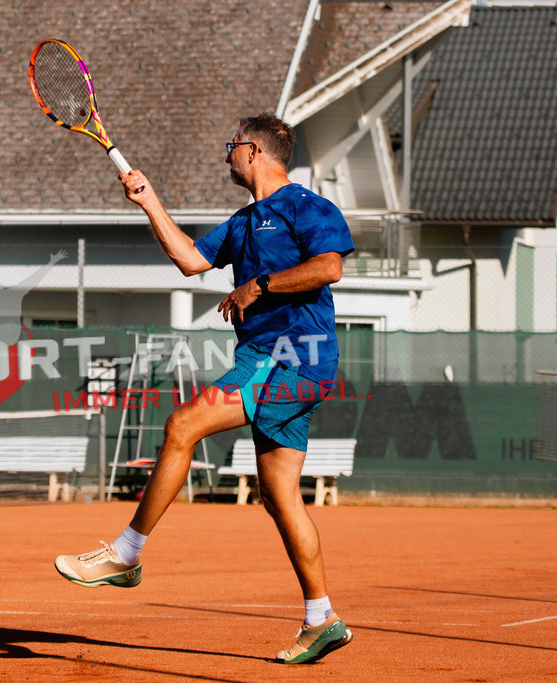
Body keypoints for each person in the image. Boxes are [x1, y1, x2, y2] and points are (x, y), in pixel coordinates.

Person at [54, 114, 356, 665]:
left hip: (290, 357)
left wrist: (256, 286)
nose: (226, 156)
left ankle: (126, 554)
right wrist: (149, 202)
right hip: (277, 360)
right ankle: (322, 618)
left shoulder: (305, 207)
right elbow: (191, 260)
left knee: (182, 424)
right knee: (280, 497)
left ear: (256, 152)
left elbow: (329, 266)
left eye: (232, 147)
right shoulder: (244, 222)